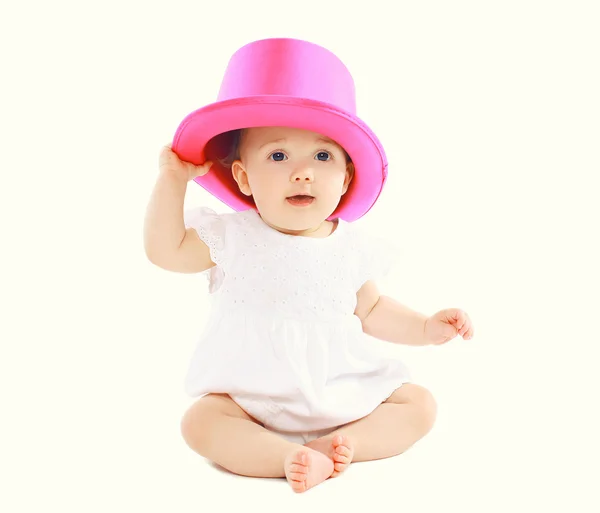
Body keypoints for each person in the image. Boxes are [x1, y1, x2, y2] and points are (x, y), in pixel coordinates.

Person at [143, 38, 474, 493]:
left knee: (419, 404)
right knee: (200, 422)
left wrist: (425, 328)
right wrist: (172, 181)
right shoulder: (232, 237)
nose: (303, 172)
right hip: (251, 398)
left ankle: (345, 442)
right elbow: (166, 251)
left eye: (323, 157)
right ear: (243, 177)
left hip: (341, 391)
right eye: (277, 156)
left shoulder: (352, 247)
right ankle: (285, 456)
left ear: (345, 178)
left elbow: (372, 310)